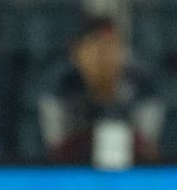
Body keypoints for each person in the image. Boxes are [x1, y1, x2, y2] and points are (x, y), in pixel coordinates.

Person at [38, 15, 165, 165]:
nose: (105, 56)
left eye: (112, 46)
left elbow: (148, 150)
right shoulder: (59, 85)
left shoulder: (143, 84)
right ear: (76, 52)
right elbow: (56, 150)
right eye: (96, 47)